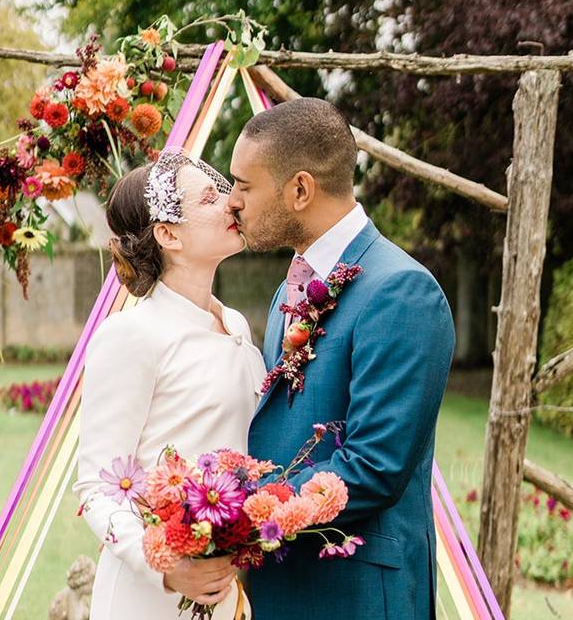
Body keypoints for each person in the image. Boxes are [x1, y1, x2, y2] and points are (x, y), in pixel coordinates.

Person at [228, 97, 456, 619]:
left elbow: (373, 467)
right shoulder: (291, 287)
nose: (232, 201)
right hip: (283, 585)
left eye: (244, 185)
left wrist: (241, 511)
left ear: (300, 189)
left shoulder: (401, 292)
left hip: (355, 595)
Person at [73, 150, 264, 620]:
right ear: (168, 234)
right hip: (147, 595)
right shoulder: (130, 335)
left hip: (223, 587)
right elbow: (97, 487)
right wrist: (166, 567)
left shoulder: (236, 325)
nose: (230, 203)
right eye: (209, 198)